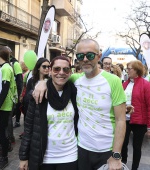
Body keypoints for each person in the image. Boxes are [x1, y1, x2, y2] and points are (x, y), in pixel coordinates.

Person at [33, 39, 126, 170]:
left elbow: (121, 120)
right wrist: (41, 83)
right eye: (81, 56)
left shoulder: (114, 81)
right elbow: (57, 77)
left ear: (98, 56)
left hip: (106, 150)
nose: (85, 59)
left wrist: (116, 155)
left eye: (90, 55)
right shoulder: (75, 79)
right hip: (81, 148)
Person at [19, 56, 78, 170]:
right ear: (50, 71)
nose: (61, 72)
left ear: (70, 72)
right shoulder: (38, 95)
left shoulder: (74, 92)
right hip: (44, 157)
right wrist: (23, 157)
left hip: (69, 156)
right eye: (56, 69)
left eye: (66, 69)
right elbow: (29, 128)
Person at [121, 60, 150, 170]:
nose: (127, 71)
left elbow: (149, 105)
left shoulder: (146, 85)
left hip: (140, 120)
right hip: (125, 119)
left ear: (137, 70)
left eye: (129, 69)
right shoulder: (125, 84)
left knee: (137, 147)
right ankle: (123, 162)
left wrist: (149, 126)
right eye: (127, 69)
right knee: (123, 144)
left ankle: (134, 168)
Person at [19, 57, 50, 139]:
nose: (47, 69)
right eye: (44, 66)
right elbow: (27, 97)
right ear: (38, 68)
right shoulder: (32, 81)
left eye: (48, 67)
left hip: (45, 112)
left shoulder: (51, 81)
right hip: (32, 111)